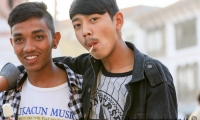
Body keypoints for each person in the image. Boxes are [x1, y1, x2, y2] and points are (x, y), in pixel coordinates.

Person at [0, 0, 178, 119]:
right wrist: (2, 81)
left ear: (118, 21)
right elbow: (34, 63)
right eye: (77, 25)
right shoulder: (86, 66)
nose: (85, 31)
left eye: (94, 19)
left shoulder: (153, 76)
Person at [0, 2, 83, 120]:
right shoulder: (6, 95)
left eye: (38, 37)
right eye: (19, 39)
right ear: (12, 44)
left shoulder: (83, 90)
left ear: (55, 39)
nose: (28, 47)